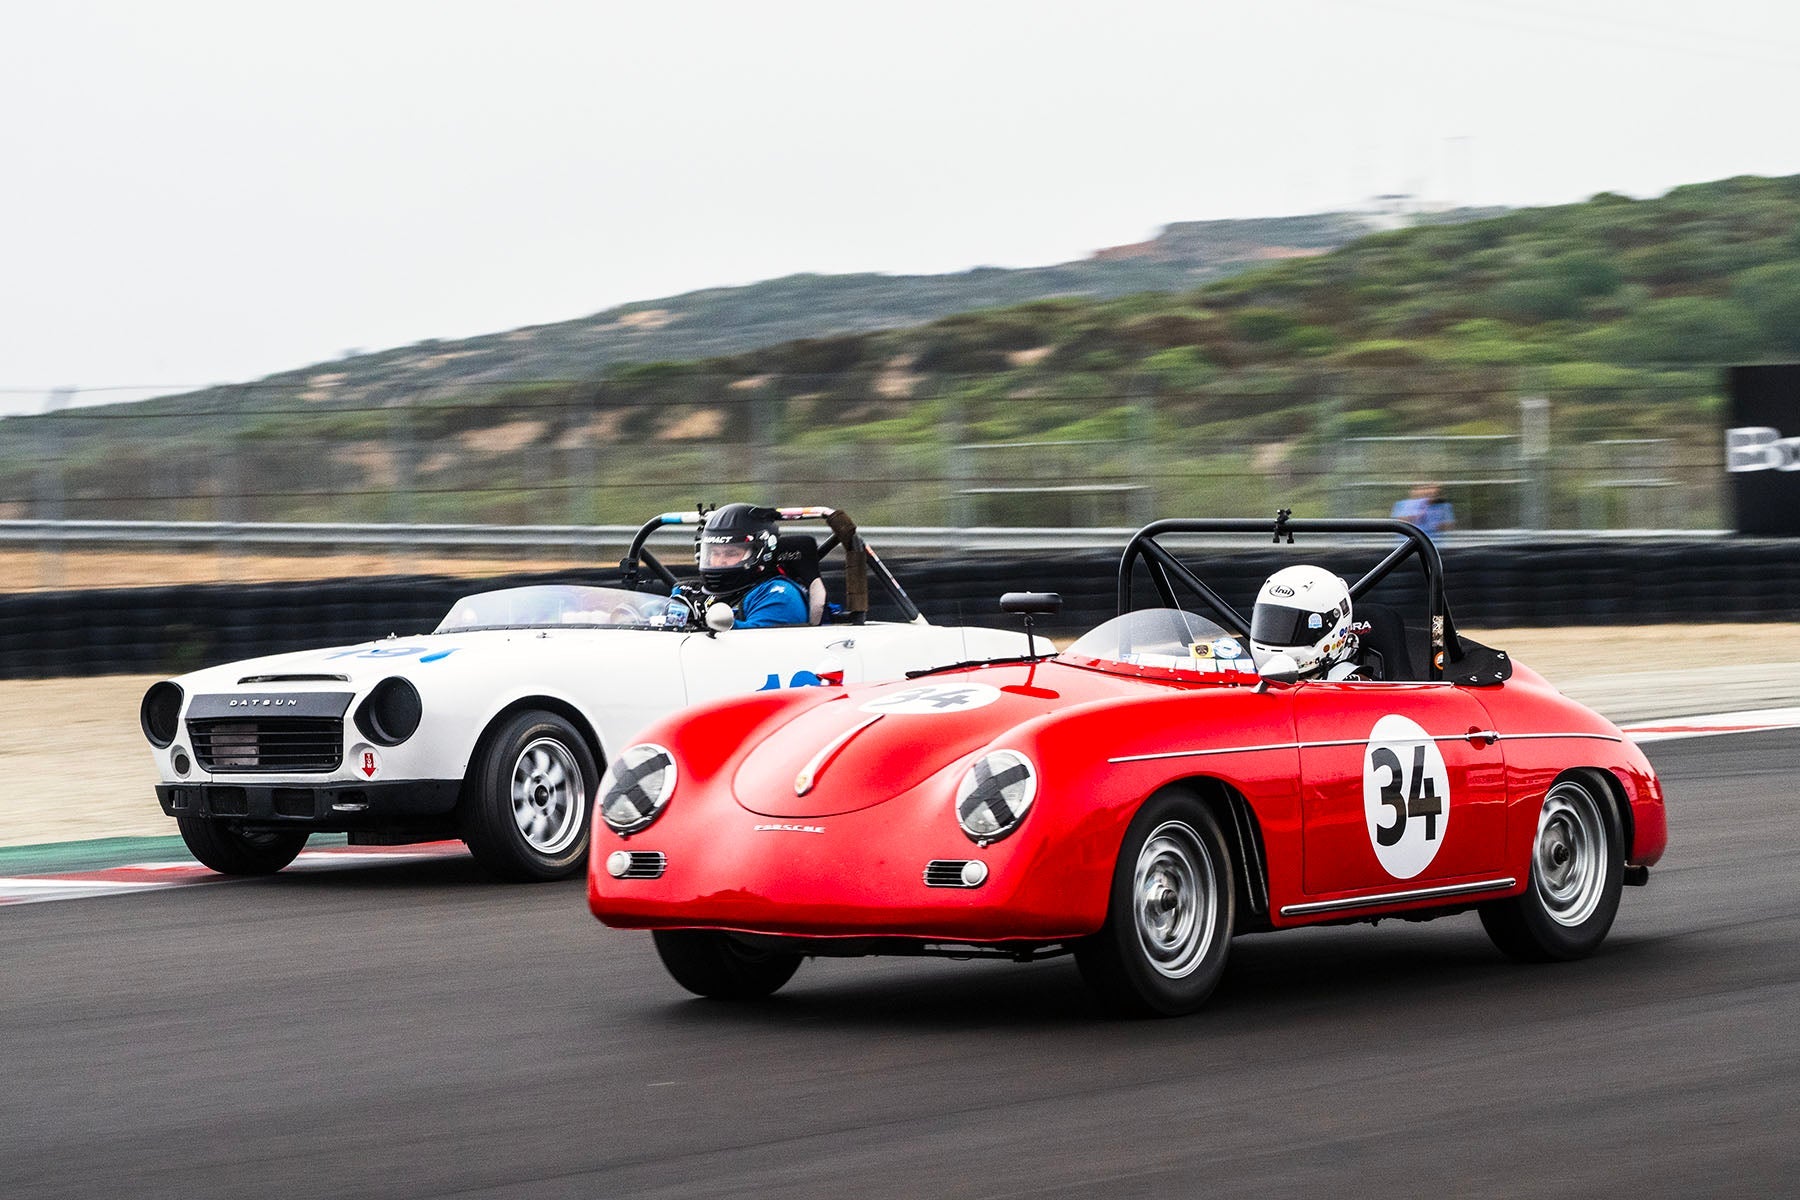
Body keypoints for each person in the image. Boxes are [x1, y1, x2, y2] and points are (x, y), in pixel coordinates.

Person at [693, 503, 809, 629]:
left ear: (759, 552)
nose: (720, 561)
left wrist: (702, 622)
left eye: (731, 553)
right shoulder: (696, 592)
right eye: (715, 553)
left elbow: (756, 643)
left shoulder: (779, 594)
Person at [1248, 564, 1368, 681]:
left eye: (1288, 627)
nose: (1276, 631)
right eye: (1268, 623)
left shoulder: (1356, 690)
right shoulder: (1244, 680)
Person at [1391, 484, 1455, 540]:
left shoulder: (1444, 507)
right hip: (1406, 542)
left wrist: (1434, 524)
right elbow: (1399, 524)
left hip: (1434, 542)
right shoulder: (1403, 504)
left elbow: (1448, 526)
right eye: (1425, 488)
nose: (1430, 491)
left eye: (1433, 489)